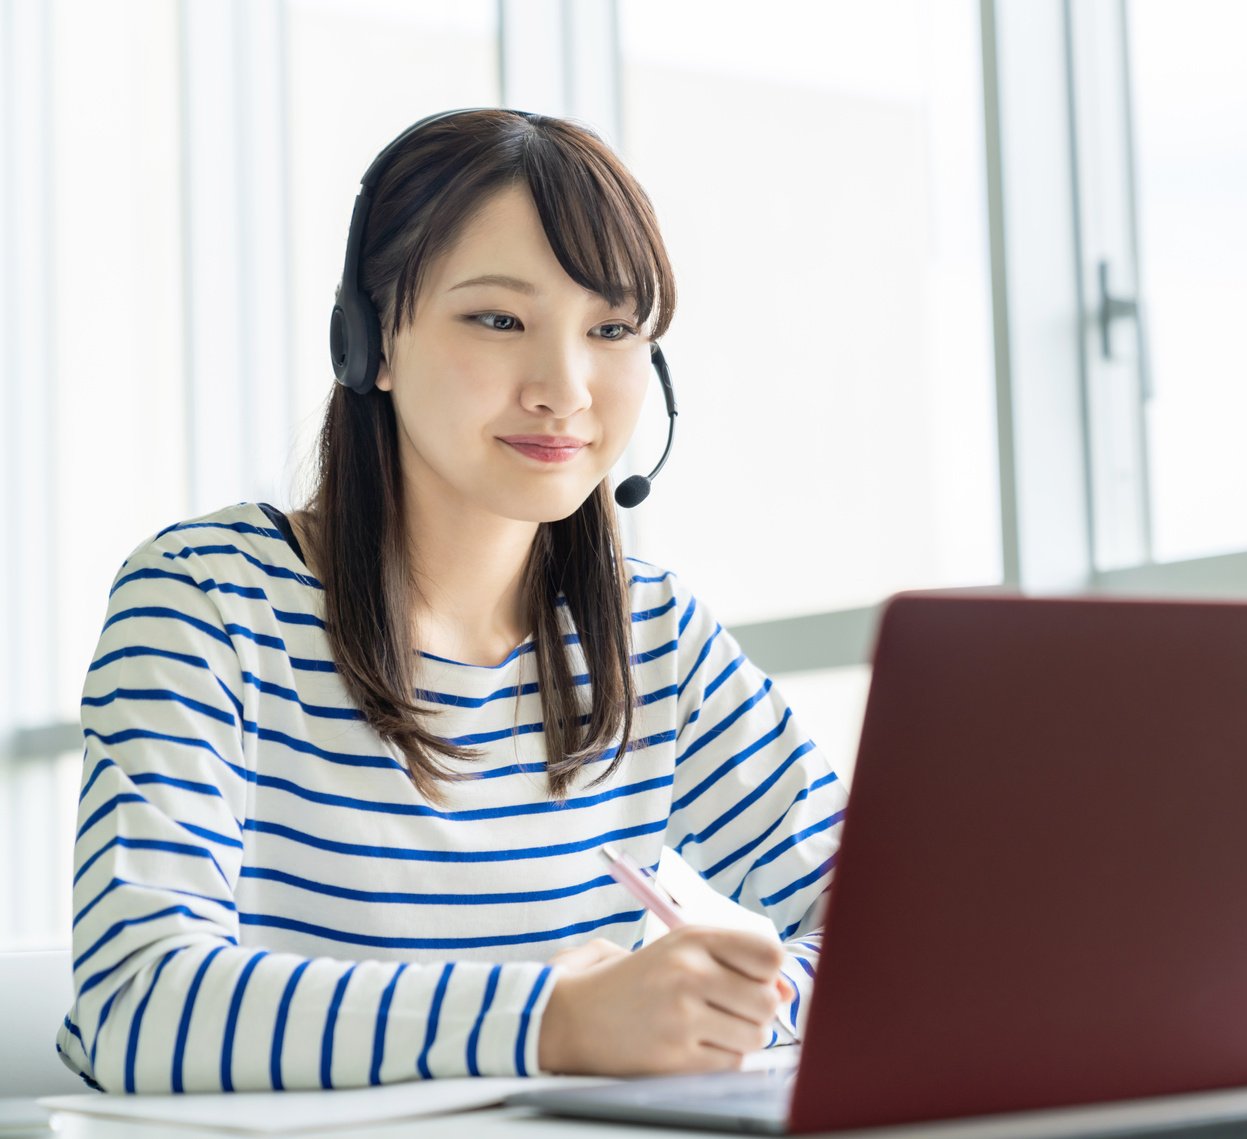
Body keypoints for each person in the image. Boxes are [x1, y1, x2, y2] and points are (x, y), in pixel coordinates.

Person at [58, 109, 844, 1093]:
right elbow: (138, 1009)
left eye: (610, 329)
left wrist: (726, 1013)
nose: (565, 389)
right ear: (369, 344)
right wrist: (552, 1022)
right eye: (498, 319)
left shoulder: (656, 639)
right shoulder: (209, 601)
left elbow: (898, 934)